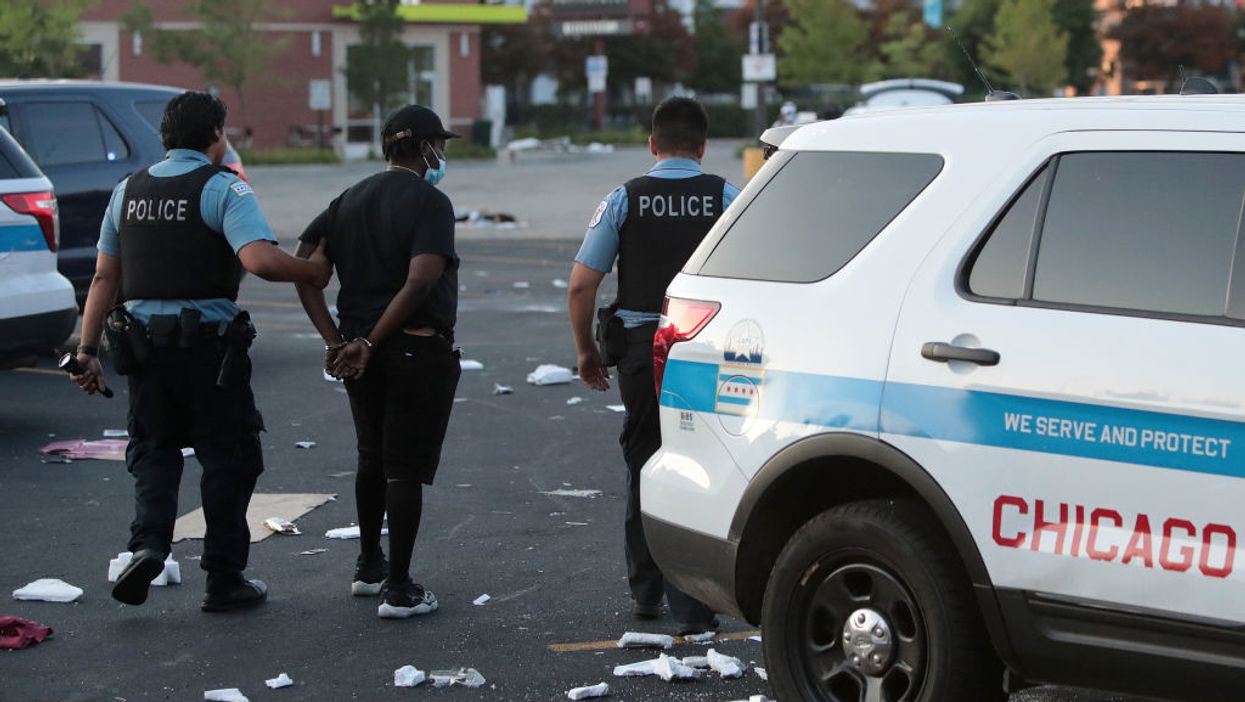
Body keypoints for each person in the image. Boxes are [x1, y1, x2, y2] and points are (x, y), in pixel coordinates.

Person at [68, 91, 331, 612]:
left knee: (154, 451)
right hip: (208, 353)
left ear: (166, 137)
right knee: (229, 458)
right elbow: (258, 259)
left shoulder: (128, 191)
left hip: (142, 349)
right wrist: (314, 270)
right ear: (215, 135)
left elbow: (104, 275)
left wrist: (87, 349)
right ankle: (224, 578)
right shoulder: (223, 188)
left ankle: (147, 547)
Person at [567, 97, 741, 635]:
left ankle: (646, 592)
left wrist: (586, 352)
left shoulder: (625, 199)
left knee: (646, 460)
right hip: (708, 348)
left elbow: (581, 285)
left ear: (652, 144)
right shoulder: (729, 197)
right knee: (705, 462)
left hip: (644, 350)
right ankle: (696, 602)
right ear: (704, 147)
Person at [294, 104, 461, 620]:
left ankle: (369, 565)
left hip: (359, 356)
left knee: (373, 456)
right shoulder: (430, 201)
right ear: (425, 147)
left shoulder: (347, 200)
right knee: (405, 467)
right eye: (441, 145)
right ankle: (400, 587)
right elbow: (421, 278)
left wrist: (337, 339)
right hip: (412, 348)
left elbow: (304, 270)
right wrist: (369, 340)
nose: (443, 155)